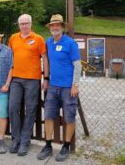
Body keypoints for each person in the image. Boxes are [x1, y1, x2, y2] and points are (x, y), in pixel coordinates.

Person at [36, 14, 81, 162]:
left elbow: (77, 65)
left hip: (68, 88)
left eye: (57, 25)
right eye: (52, 26)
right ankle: (48, 145)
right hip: (53, 87)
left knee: (69, 117)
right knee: (48, 116)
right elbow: (45, 60)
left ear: (62, 27)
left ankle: (66, 146)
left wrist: (75, 84)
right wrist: (46, 79)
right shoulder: (48, 42)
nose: (54, 27)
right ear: (50, 28)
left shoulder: (70, 43)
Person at [8, 14, 49, 156]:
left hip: (32, 79)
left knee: (30, 109)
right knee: (13, 107)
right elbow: (10, 57)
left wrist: (46, 78)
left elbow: (44, 57)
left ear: (31, 24)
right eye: (21, 23)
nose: (24, 26)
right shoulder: (13, 38)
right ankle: (16, 139)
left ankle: (25, 141)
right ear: (18, 25)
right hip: (16, 79)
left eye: (26, 23)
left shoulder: (38, 39)